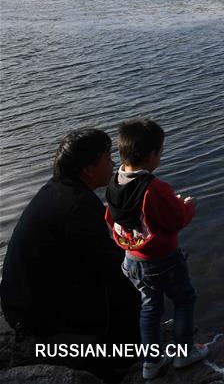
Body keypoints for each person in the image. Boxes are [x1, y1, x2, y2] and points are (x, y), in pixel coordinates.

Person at [0, 128, 140, 382]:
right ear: (88, 169)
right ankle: (121, 363)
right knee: (130, 285)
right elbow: (111, 265)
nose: (113, 164)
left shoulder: (56, 190)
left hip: (18, 305)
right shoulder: (78, 206)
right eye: (107, 159)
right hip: (37, 319)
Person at [104, 118, 208, 380]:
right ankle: (185, 353)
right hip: (162, 259)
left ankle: (151, 361)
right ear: (152, 155)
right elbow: (176, 221)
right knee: (184, 299)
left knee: (150, 307)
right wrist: (187, 206)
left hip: (131, 259)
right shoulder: (155, 188)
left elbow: (113, 217)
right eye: (160, 151)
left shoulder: (114, 181)